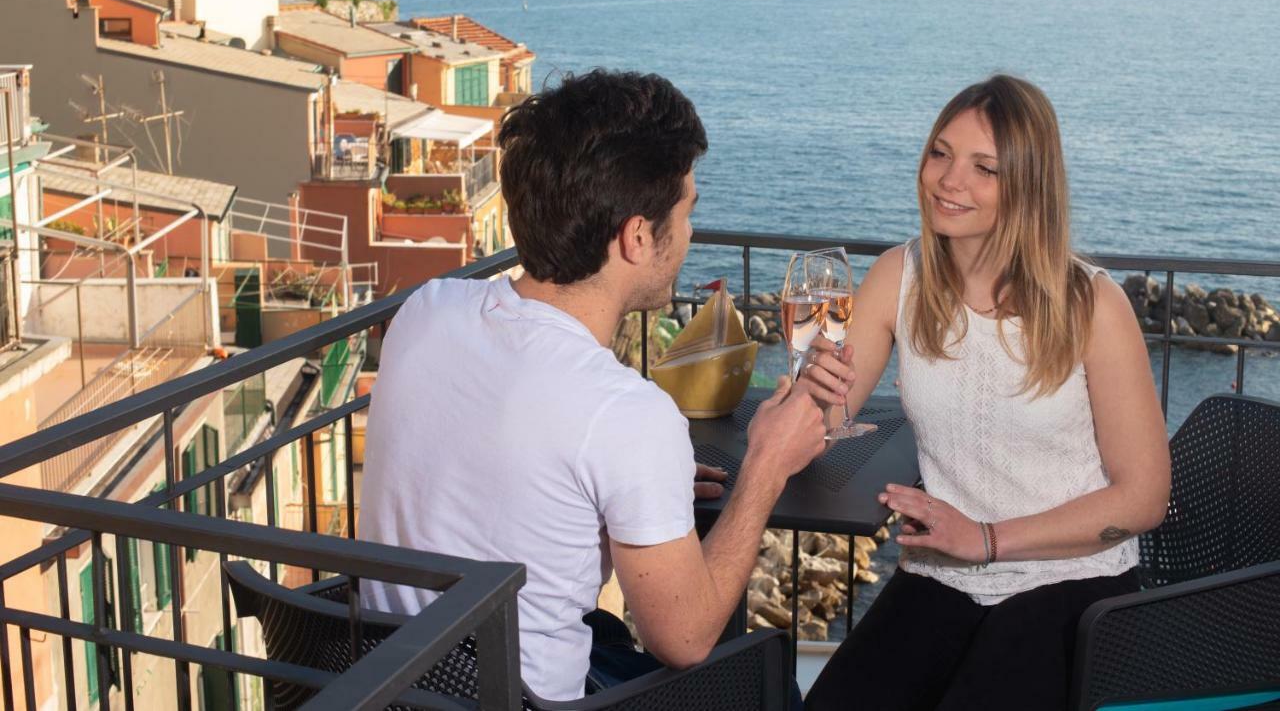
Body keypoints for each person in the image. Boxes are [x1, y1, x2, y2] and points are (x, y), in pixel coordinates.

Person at [357, 70, 852, 702]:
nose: (693, 234)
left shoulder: (425, 312)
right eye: (688, 212)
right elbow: (687, 638)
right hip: (526, 700)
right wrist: (765, 467)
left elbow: (500, 466)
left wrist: (634, 489)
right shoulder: (622, 412)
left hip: (401, 686)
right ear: (638, 237)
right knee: (768, 678)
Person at [803, 75, 1171, 711]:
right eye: (940, 153)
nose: (949, 180)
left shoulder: (1090, 304)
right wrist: (811, 388)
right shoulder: (899, 276)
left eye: (984, 168)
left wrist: (989, 539)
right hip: (944, 572)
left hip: (1071, 578)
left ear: (1028, 184)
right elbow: (826, 418)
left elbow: (1143, 497)